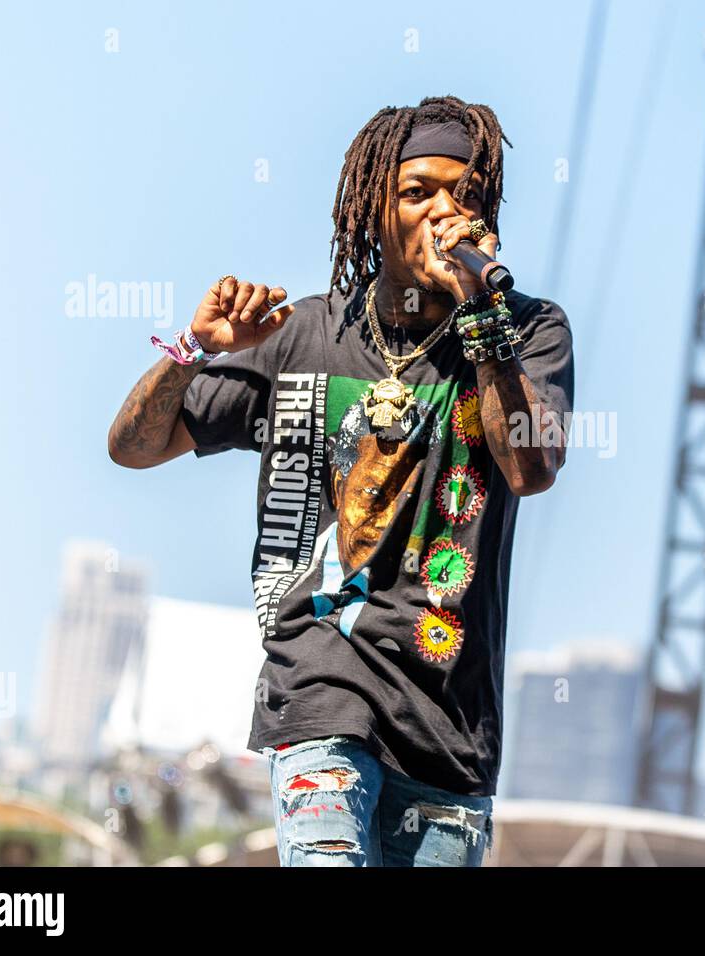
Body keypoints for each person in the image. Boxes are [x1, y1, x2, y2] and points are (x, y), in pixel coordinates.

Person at [107, 95, 573, 867]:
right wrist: (195, 346)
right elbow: (134, 446)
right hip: (320, 687)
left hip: (448, 723)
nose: (443, 211)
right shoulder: (301, 335)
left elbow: (530, 467)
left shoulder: (526, 331)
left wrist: (481, 313)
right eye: (418, 191)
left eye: (464, 195)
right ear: (374, 209)